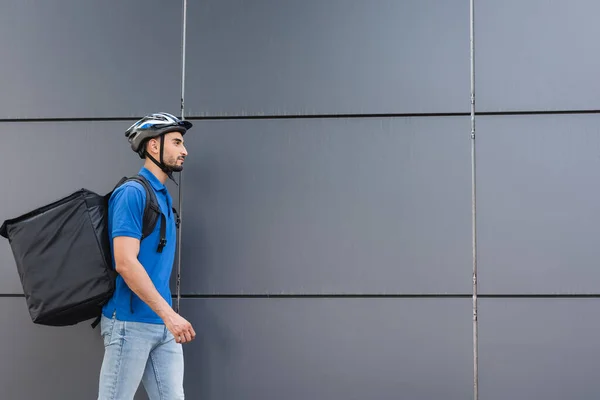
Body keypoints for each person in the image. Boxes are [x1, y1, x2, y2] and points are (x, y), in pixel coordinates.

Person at [97, 112, 196, 400]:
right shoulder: (132, 193)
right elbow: (125, 263)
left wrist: (167, 319)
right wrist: (170, 315)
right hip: (130, 322)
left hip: (163, 326)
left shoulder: (163, 196)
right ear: (154, 146)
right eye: (177, 142)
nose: (184, 150)